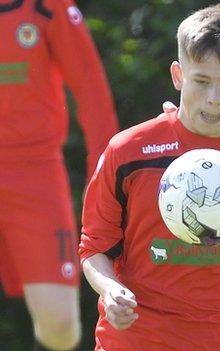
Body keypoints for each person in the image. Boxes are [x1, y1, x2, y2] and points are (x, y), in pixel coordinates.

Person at [79, 4, 220, 351]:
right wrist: (111, 289)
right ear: (178, 74)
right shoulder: (128, 151)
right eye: (201, 81)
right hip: (133, 343)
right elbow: (93, 247)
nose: (214, 99)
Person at [0, 1, 119, 350]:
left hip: (33, 170)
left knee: (60, 327)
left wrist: (104, 182)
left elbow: (91, 88)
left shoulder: (47, 7)